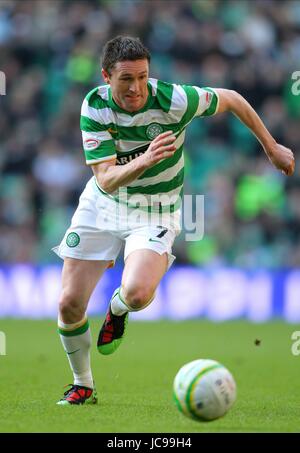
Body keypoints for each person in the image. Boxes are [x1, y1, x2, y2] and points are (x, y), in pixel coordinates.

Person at [53, 36, 295, 405]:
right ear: (106, 76)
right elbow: (104, 177)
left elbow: (231, 98)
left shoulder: (174, 100)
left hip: (157, 209)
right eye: (126, 79)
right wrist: (145, 160)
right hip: (104, 204)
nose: (136, 88)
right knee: (69, 303)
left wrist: (271, 146)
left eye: (142, 77)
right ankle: (82, 383)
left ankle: (117, 310)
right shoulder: (95, 107)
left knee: (136, 294)